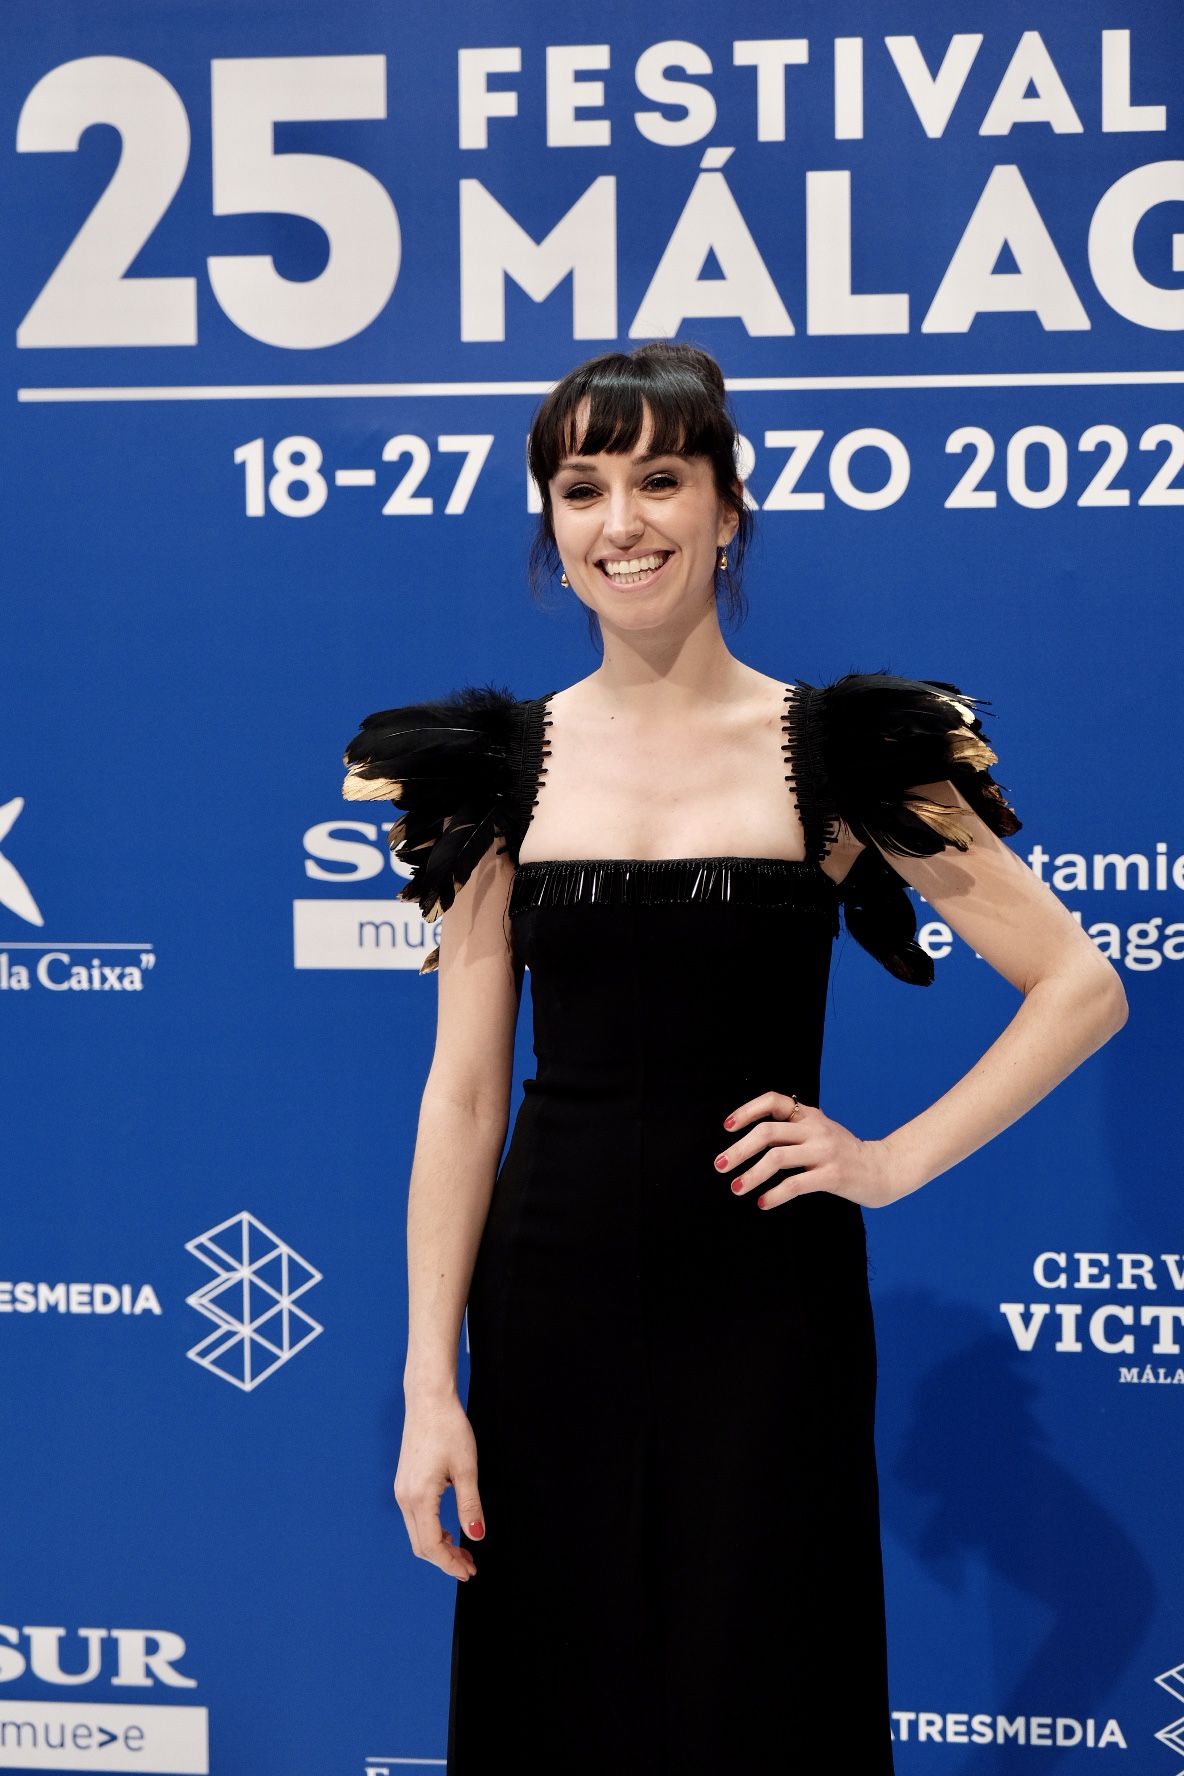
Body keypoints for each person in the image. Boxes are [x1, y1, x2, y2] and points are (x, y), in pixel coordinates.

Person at [341, 340, 1128, 1774]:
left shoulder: (839, 753)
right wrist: (427, 1387)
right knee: (558, 1695)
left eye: (660, 479)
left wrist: (889, 1161)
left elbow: (1081, 985)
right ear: (551, 526)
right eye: (581, 487)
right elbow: (462, 1094)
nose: (621, 519)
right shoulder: (490, 771)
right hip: (548, 1297)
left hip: (770, 1302)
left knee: (763, 1688)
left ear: (727, 509)